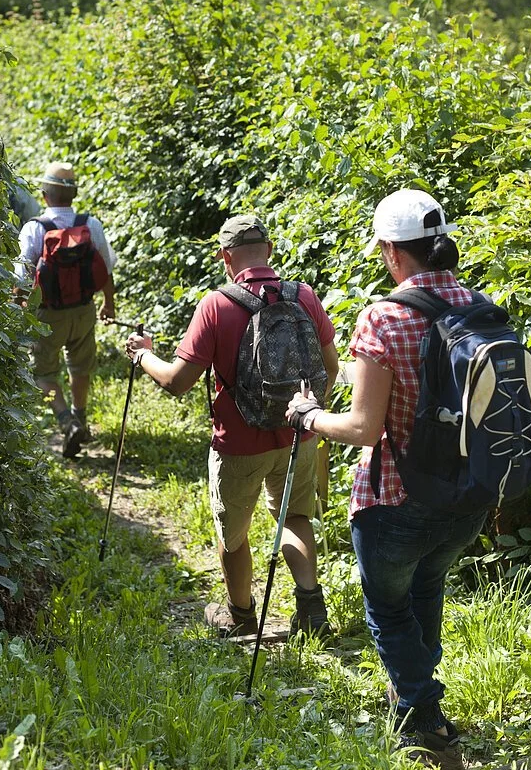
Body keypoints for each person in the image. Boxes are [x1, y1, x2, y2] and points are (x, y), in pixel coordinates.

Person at [286, 188, 488, 770]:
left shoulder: (385, 316)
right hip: (467, 496)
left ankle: (425, 721)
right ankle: (415, 695)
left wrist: (308, 416)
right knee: (425, 589)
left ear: (391, 252)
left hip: (396, 498)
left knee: (388, 606)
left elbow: (365, 427)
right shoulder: (477, 306)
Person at [126, 213, 340, 639]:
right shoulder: (305, 297)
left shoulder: (217, 304)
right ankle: (312, 609)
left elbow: (177, 382)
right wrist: (306, 413)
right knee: (295, 517)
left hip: (238, 443)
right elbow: (330, 368)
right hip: (299, 434)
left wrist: (142, 355)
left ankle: (241, 615)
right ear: (271, 251)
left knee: (234, 536)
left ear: (226, 257)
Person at [17, 161, 116, 458]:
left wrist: (19, 306)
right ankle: (81, 417)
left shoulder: (35, 228)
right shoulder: (90, 224)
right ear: (73, 195)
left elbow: (21, 275)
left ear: (45, 194)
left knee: (44, 373)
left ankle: (66, 422)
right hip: (84, 311)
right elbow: (107, 269)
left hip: (47, 314)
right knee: (80, 366)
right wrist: (108, 303)